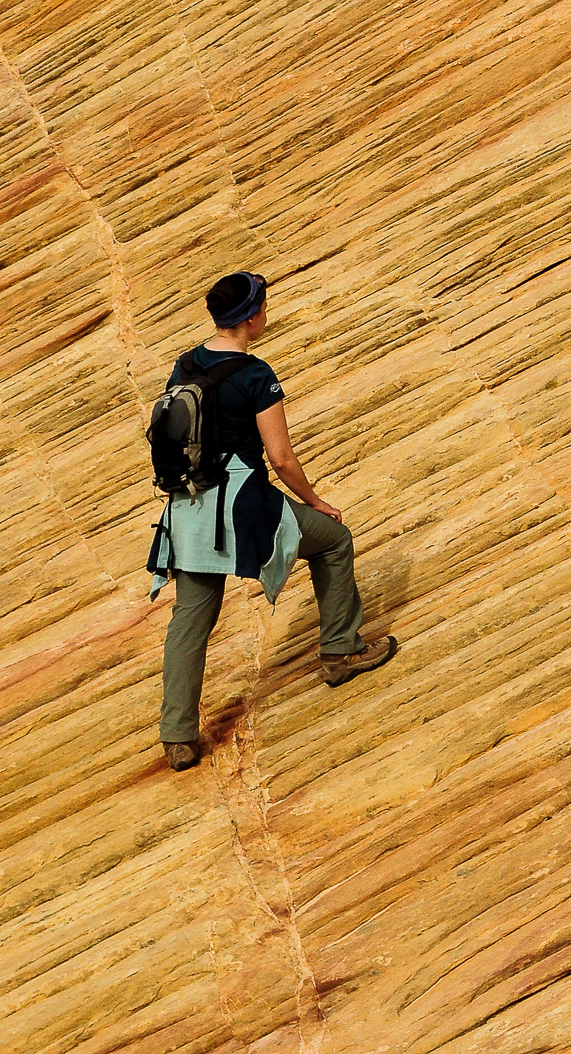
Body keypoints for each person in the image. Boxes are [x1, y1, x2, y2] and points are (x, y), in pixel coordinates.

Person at [150, 270, 396, 770]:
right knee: (332, 539)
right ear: (249, 318)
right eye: (263, 305)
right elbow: (281, 459)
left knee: (191, 617)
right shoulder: (257, 376)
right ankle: (340, 652)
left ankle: (178, 737)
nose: (267, 312)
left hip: (188, 509)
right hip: (243, 510)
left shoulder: (186, 363)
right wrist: (315, 500)